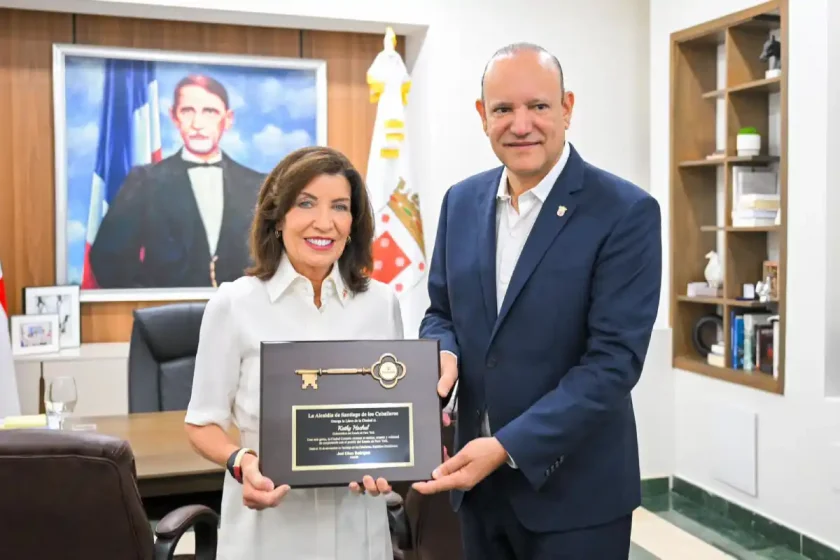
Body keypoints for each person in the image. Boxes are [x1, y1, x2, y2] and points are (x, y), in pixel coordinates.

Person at [412, 43, 662, 559]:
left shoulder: (626, 212)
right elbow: (441, 312)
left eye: (539, 107)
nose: (520, 124)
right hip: (477, 491)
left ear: (567, 108)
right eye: (503, 109)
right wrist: (444, 350)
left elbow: (613, 362)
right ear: (483, 116)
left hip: (576, 499)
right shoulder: (460, 201)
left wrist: (507, 448)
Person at [184, 146, 403, 559]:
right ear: (278, 216)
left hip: (358, 533)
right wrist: (241, 462)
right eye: (306, 203)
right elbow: (201, 424)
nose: (325, 222)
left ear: (353, 223)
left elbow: (391, 416)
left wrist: (396, 459)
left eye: (340, 206)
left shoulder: (381, 303)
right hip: (269, 534)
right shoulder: (234, 304)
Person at [89, 74, 265, 289]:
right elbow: (108, 257)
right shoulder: (145, 181)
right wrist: (152, 302)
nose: (197, 123)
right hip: (167, 317)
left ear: (228, 119)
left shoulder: (258, 185)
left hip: (243, 316)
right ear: (174, 117)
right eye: (187, 111)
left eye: (209, 112)